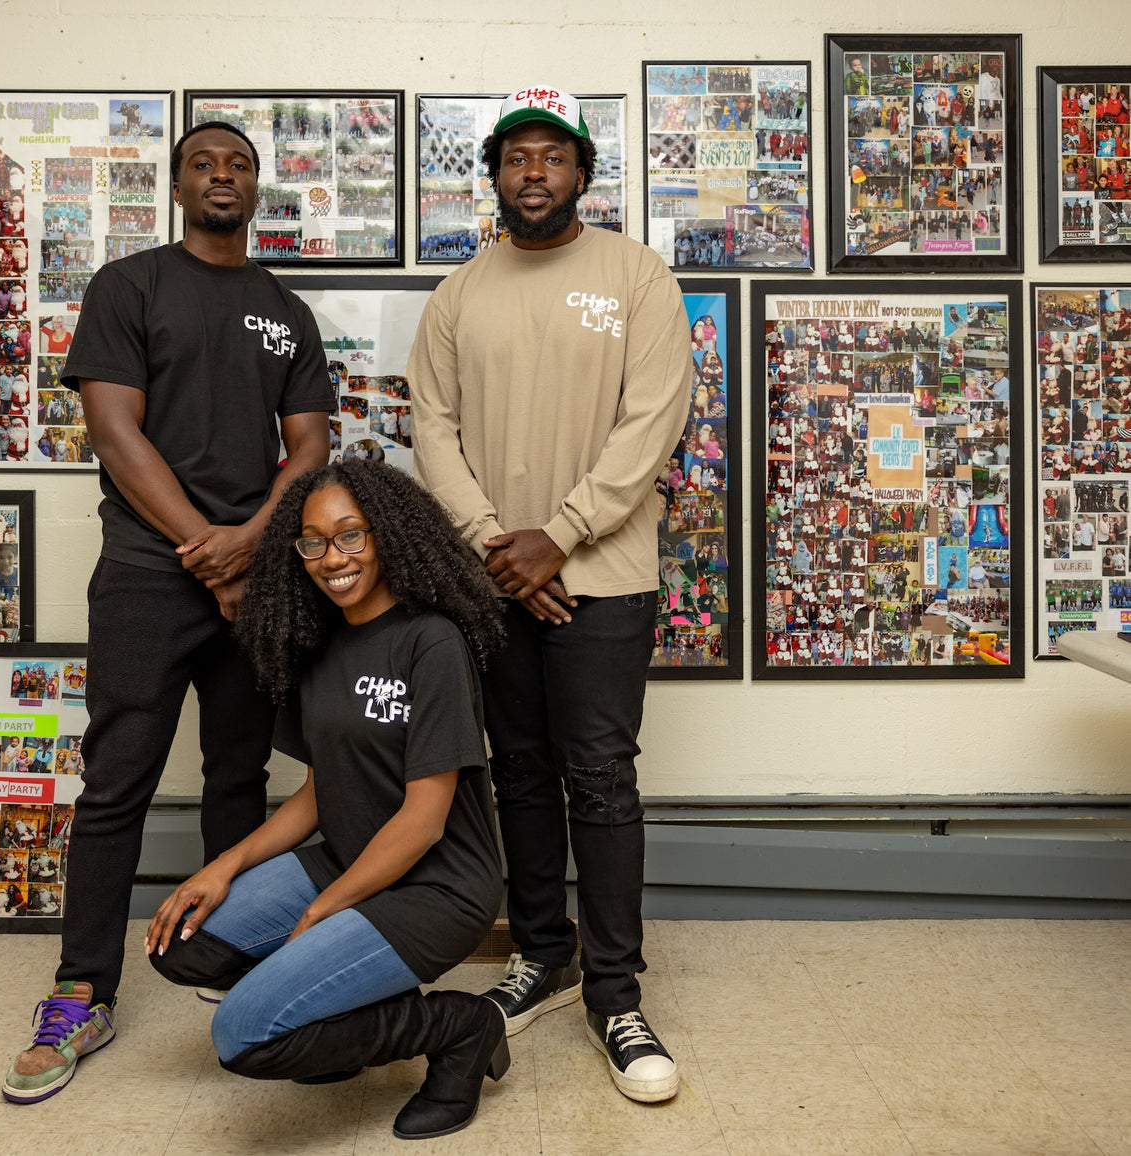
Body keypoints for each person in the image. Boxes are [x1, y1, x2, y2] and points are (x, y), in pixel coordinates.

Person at [3, 120, 333, 1104]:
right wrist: (207, 547)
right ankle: (80, 990)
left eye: (237, 165)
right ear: (179, 183)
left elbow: (309, 444)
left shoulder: (283, 307)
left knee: (238, 781)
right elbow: (113, 428)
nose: (221, 176)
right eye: (204, 164)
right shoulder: (130, 285)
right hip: (150, 576)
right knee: (116, 785)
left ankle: (223, 966)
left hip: (253, 579)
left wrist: (248, 546)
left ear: (257, 187)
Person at [408, 86, 692, 1104]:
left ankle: (615, 993)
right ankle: (543, 951)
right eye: (516, 156)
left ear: (581, 173)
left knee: (599, 779)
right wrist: (496, 548)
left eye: (553, 156)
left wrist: (558, 536)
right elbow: (430, 430)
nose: (534, 171)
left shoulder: (635, 277)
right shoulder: (458, 295)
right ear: (492, 175)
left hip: (602, 579)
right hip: (492, 584)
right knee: (517, 773)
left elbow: (650, 423)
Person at [145, 460, 508, 1140]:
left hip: (436, 888)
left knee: (243, 1034)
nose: (330, 557)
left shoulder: (431, 642)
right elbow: (318, 794)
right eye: (311, 541)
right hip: (346, 857)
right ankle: (347, 1010)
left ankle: (461, 1028)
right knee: (182, 942)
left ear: (388, 536)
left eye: (350, 536)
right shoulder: (316, 644)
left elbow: (425, 820)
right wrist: (221, 866)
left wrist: (319, 910)